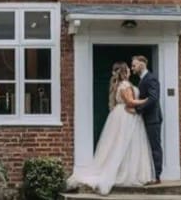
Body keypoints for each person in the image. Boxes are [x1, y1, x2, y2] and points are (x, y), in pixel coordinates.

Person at [65, 62, 155, 195]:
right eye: (128, 69)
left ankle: (127, 171)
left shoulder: (120, 84)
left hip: (121, 115)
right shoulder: (125, 85)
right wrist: (147, 100)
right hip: (127, 117)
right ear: (125, 72)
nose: (130, 70)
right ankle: (126, 173)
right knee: (125, 145)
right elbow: (130, 102)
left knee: (120, 145)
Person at [131, 54, 163, 184]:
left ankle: (157, 176)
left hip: (152, 119)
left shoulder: (151, 78)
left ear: (142, 64)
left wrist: (138, 109)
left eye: (134, 65)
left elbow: (153, 98)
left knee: (155, 146)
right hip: (144, 119)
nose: (132, 68)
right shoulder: (142, 79)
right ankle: (148, 174)